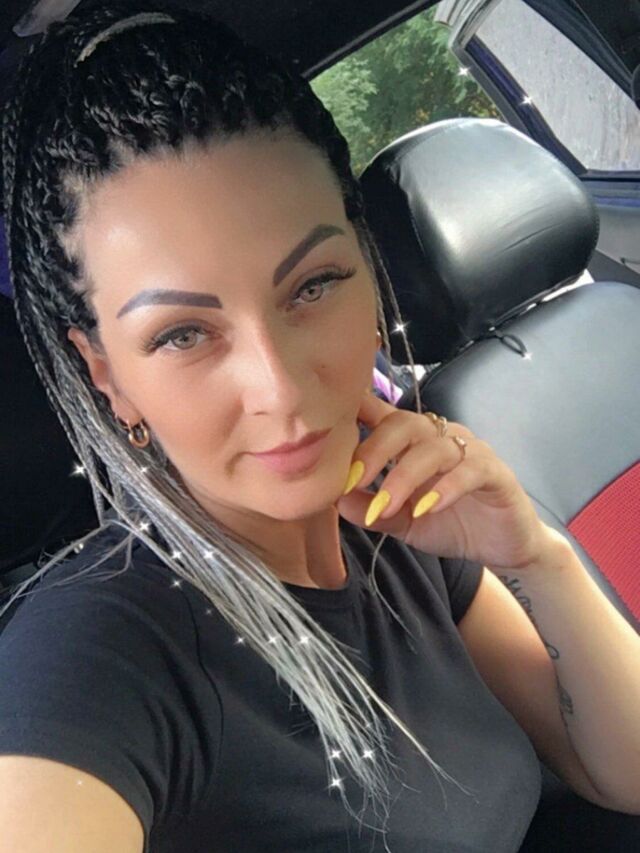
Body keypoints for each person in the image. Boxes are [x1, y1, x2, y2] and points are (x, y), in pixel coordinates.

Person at [1, 3, 639, 852]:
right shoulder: (88, 653)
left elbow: (619, 772)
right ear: (109, 375)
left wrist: (535, 556)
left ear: (368, 274)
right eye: (183, 334)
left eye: (312, 286)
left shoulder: (403, 523)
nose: (280, 388)